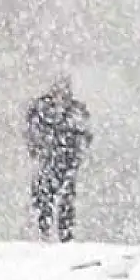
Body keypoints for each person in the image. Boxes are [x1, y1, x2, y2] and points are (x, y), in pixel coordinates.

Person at [25, 76, 92, 243]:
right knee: (46, 197)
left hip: (63, 161)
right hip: (51, 160)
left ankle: (61, 235)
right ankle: (46, 233)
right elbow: (32, 134)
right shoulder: (42, 109)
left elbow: (85, 135)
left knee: (63, 199)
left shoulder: (74, 111)